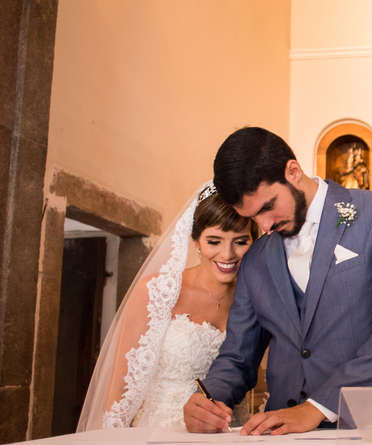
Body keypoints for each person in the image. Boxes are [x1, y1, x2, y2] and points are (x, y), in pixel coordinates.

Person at [184, 127, 372, 435]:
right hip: (282, 440)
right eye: (252, 217)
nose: (265, 225)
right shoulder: (256, 259)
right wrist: (209, 399)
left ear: (293, 171)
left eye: (268, 207)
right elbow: (238, 357)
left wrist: (317, 407)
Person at [77, 184, 258, 430]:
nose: (227, 254)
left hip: (231, 436)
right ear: (196, 241)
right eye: (214, 241)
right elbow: (120, 390)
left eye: (240, 242)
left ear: (254, 241)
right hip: (160, 433)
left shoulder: (258, 297)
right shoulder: (157, 291)